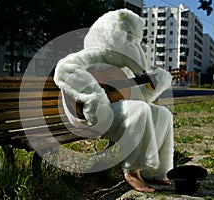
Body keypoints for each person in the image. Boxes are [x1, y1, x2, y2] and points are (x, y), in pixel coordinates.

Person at [54, 9, 173, 192]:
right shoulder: (92, 55)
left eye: (135, 40)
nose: (133, 46)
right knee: (140, 110)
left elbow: (134, 99)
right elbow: (63, 70)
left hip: (112, 112)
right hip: (86, 114)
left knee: (162, 113)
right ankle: (131, 171)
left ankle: (153, 171)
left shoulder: (121, 67)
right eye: (128, 39)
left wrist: (155, 85)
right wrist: (94, 95)